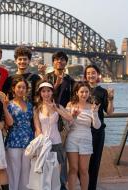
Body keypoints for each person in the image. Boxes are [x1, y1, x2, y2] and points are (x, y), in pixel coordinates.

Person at [33, 81, 74, 187]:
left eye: (48, 91)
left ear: (52, 92)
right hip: (44, 145)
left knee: (57, 175)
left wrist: (57, 110)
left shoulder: (58, 106)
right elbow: (37, 128)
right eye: (43, 91)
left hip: (56, 143)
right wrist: (41, 143)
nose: (46, 94)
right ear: (40, 93)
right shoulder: (37, 108)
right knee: (45, 175)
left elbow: (70, 118)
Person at [46, 51, 76, 190]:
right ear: (53, 62)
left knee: (61, 154)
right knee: (47, 152)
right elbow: (44, 96)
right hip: (49, 118)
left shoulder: (70, 81)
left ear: (66, 62)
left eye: (63, 60)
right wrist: (56, 85)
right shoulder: (47, 78)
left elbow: (74, 99)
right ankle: (48, 183)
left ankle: (61, 184)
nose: (60, 62)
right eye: (57, 59)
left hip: (62, 120)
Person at [65, 81, 101, 190]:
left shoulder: (92, 106)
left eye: (86, 92)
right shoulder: (70, 105)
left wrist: (94, 113)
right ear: (76, 92)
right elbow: (67, 126)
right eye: (81, 92)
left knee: (84, 169)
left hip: (86, 139)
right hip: (72, 138)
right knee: (73, 169)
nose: (84, 94)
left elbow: (97, 126)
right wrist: (73, 116)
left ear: (89, 93)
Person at [84, 65, 114, 190]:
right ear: (85, 75)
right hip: (83, 130)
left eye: (93, 73)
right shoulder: (81, 89)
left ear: (98, 75)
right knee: (82, 164)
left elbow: (110, 112)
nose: (91, 75)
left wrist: (111, 99)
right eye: (88, 73)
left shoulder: (102, 92)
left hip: (97, 131)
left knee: (95, 162)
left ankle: (92, 188)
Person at [5, 76, 34, 190]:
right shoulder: (9, 104)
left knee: (26, 172)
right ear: (13, 89)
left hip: (29, 141)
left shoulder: (30, 105)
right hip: (14, 140)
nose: (21, 90)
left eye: (23, 87)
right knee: (13, 171)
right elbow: (9, 123)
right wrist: (5, 107)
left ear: (26, 90)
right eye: (19, 87)